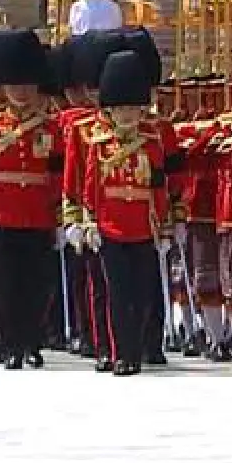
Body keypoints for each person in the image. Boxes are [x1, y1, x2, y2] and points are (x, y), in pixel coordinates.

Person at [0, 29, 62, 371]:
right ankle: (10, 344)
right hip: (2, 215)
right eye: (14, 84)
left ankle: (33, 341)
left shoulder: (51, 129)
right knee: (5, 284)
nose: (21, 91)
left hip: (38, 215)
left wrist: (62, 215)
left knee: (38, 284)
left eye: (26, 84)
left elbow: (57, 175)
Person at [79, 49, 172, 376]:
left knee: (143, 293)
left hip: (143, 227)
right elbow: (91, 185)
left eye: (133, 107)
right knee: (118, 295)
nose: (128, 115)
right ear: (111, 111)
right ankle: (123, 353)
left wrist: (165, 225)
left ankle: (141, 345)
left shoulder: (151, 145)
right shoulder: (99, 145)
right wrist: (88, 220)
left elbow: (158, 188)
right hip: (111, 226)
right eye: (121, 109)